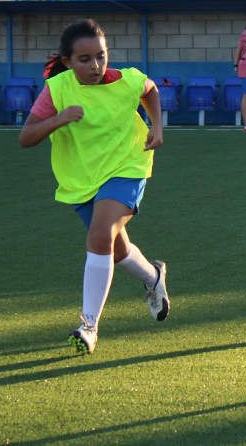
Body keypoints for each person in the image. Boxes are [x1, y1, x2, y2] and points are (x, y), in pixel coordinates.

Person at [19, 19, 171, 355]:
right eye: (85, 59)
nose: (95, 65)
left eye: (100, 56)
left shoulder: (126, 79)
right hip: (84, 180)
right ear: (67, 61)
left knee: (100, 234)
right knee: (114, 249)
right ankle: (153, 276)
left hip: (128, 167)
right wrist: (58, 119)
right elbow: (26, 137)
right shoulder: (57, 90)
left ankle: (89, 326)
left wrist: (157, 127)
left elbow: (150, 90)